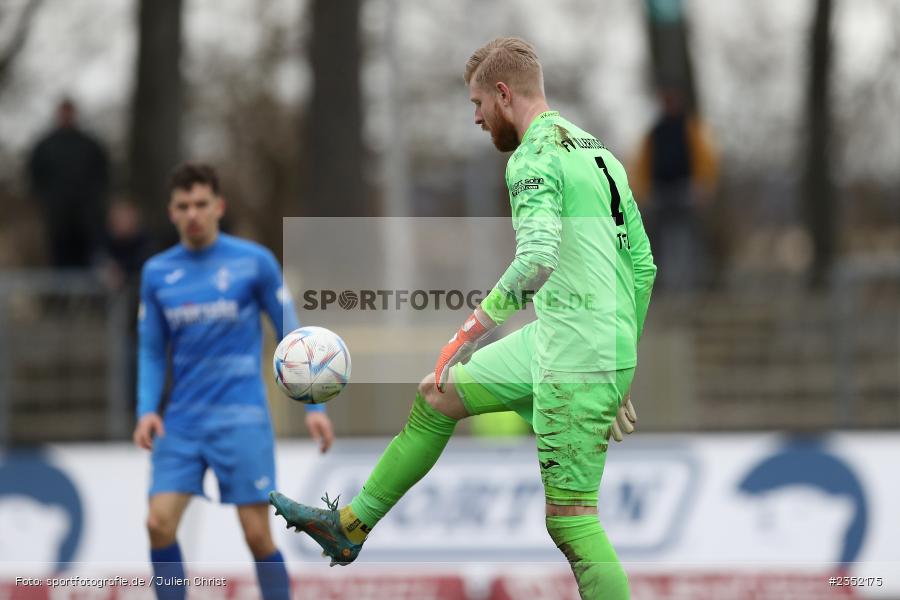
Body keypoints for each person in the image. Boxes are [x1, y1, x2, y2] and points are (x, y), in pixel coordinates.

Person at [271, 37, 654, 600]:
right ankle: (349, 527)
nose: (475, 117)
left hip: (576, 356)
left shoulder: (533, 157)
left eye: (477, 104)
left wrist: (467, 333)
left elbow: (537, 260)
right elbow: (642, 268)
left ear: (503, 94)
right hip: (569, 339)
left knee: (571, 521)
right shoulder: (600, 154)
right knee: (438, 398)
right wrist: (624, 357)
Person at [133, 162, 334, 600]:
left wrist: (314, 407)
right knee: (157, 523)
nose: (193, 214)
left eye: (201, 204)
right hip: (182, 421)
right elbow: (150, 349)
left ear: (218, 206)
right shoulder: (156, 273)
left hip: (242, 418)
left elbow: (290, 335)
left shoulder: (253, 262)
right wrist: (146, 410)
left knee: (257, 535)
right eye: (183, 206)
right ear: (171, 212)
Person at [631, 87, 718, 292]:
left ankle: (687, 286)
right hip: (660, 192)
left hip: (685, 190)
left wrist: (703, 185)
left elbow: (704, 158)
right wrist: (643, 191)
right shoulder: (655, 132)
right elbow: (644, 163)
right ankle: (669, 286)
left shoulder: (689, 129)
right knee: (665, 241)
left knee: (685, 239)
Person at [27, 98, 109, 268]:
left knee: (87, 257)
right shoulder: (45, 145)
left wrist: (95, 202)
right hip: (56, 216)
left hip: (86, 217)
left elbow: (103, 176)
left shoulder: (90, 145)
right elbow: (34, 176)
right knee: (58, 257)